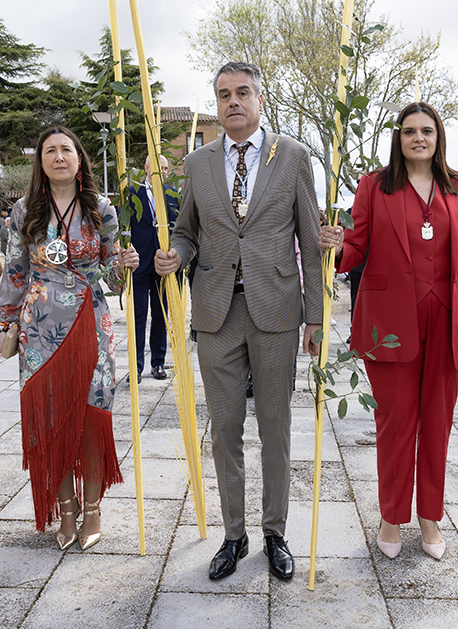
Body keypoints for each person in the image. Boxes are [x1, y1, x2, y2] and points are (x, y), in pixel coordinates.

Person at [154, 62, 323, 583]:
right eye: (224, 94)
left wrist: (315, 318)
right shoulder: (198, 163)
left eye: (243, 92)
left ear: (260, 100)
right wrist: (175, 256)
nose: (233, 102)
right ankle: (234, 534)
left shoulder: (293, 156)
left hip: (276, 309)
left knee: (276, 427)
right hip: (217, 312)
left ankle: (274, 532)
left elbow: (311, 239)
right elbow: (187, 232)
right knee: (224, 428)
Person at [319, 100, 458, 561]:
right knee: (395, 424)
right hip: (390, 322)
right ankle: (391, 515)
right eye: (409, 131)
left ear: (439, 137)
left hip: (450, 320)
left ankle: (430, 517)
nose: (419, 138)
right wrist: (336, 247)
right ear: (397, 138)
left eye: (427, 130)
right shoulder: (374, 185)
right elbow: (356, 249)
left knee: (437, 423)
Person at [0, 126, 138, 552]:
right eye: (50, 151)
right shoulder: (24, 211)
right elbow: (15, 269)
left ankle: (92, 508)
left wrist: (124, 265)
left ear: (79, 159)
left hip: (90, 323)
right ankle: (67, 510)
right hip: (40, 329)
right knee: (51, 419)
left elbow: (113, 278)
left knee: (93, 415)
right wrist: (5, 322)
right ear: (40, 162)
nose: (59, 156)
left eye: (66, 150)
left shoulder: (101, 208)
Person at [128, 154, 179, 380]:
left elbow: (178, 227)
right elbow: (125, 228)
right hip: (139, 263)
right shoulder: (132, 194)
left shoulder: (172, 195)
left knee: (161, 315)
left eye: (166, 168)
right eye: (160, 168)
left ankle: (158, 363)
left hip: (162, 263)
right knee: (138, 316)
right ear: (147, 168)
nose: (163, 172)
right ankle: (136, 367)